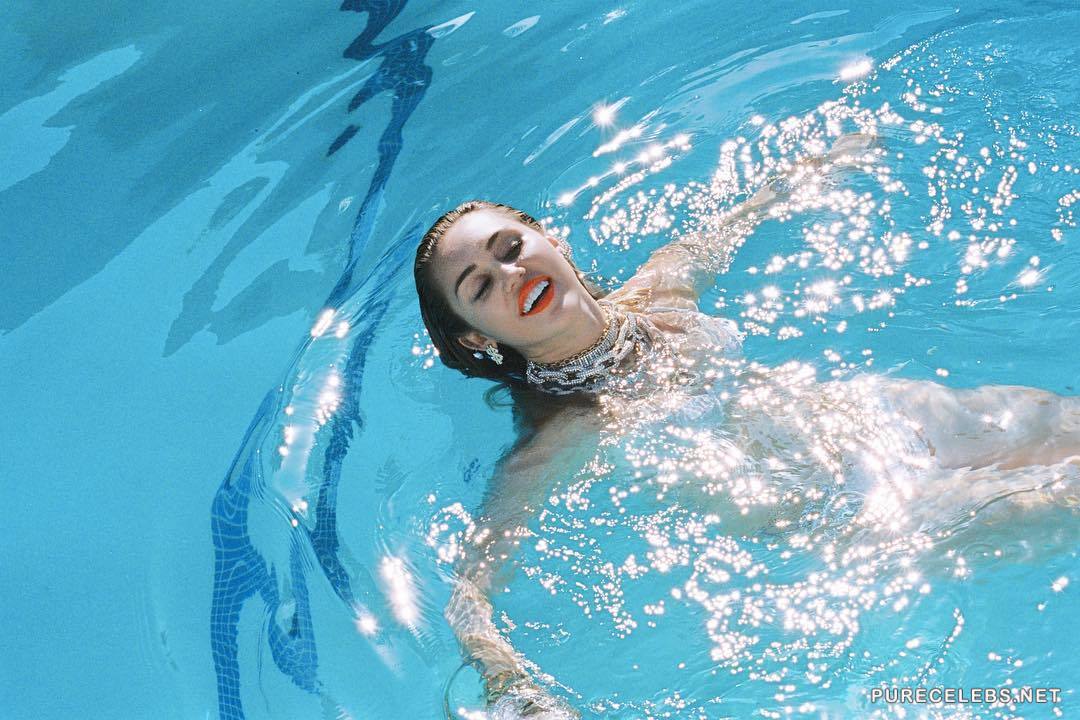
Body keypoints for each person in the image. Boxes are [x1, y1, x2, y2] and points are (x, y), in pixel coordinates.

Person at [413, 139, 1080, 717]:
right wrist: (509, 686)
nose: (510, 273)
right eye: (479, 286)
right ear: (476, 337)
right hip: (862, 514)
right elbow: (470, 588)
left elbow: (734, 221)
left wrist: (819, 166)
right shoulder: (560, 435)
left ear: (551, 241)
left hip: (883, 417)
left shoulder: (661, 294)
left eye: (511, 247)